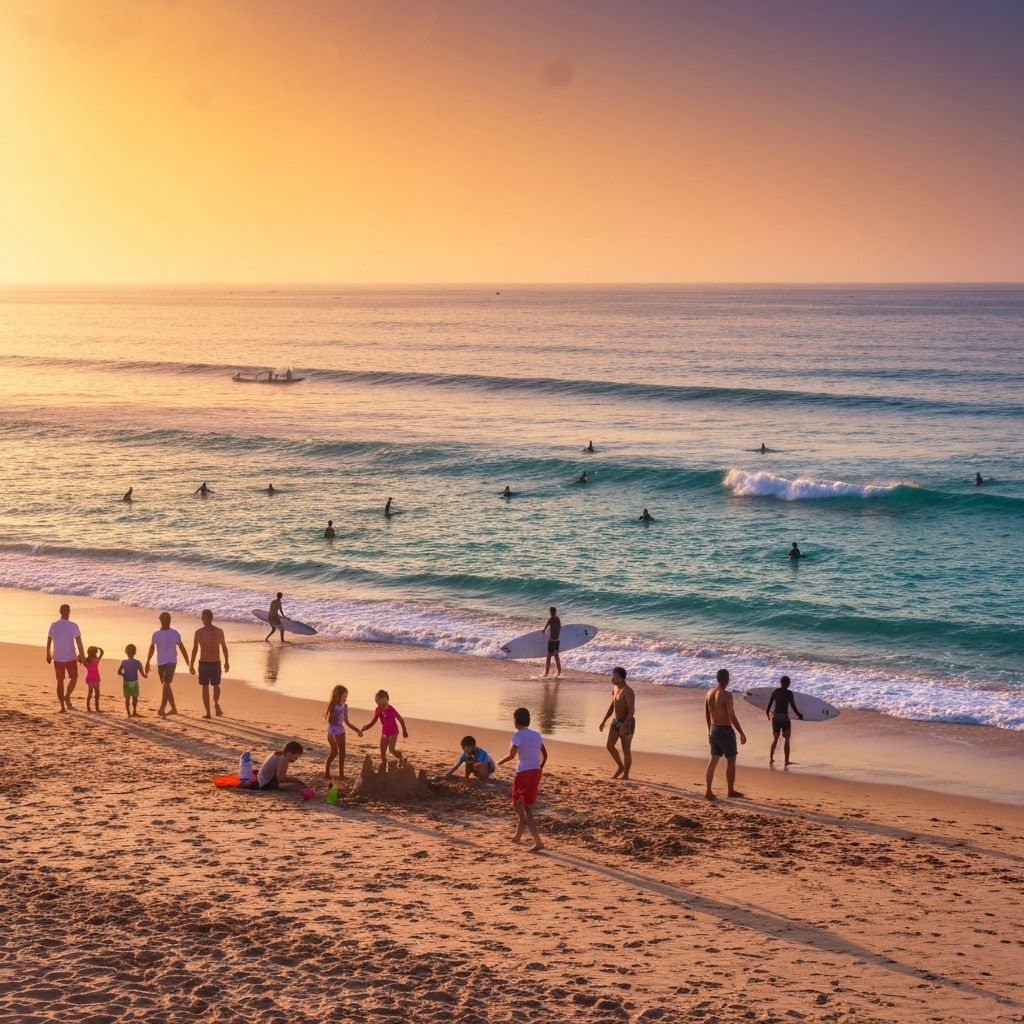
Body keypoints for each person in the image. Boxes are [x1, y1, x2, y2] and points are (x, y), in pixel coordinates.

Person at [497, 707, 548, 852]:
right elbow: (545, 754)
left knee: (520, 805)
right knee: (522, 803)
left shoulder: (517, 735)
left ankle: (538, 841)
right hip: (535, 771)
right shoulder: (536, 734)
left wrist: (503, 760)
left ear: (516, 721)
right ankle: (518, 835)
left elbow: (512, 754)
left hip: (524, 772)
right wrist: (539, 767)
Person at [705, 668, 747, 800]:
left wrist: (709, 730)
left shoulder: (709, 693)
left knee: (713, 760)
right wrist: (741, 732)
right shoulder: (727, 695)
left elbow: (707, 713)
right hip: (725, 730)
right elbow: (732, 716)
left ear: (717, 679)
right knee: (731, 760)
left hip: (713, 728)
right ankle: (730, 790)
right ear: (727, 680)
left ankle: (708, 791)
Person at [145, 612, 193, 717]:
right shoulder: (156, 634)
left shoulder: (175, 633)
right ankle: (173, 708)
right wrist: (147, 661)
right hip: (160, 662)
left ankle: (162, 707)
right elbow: (152, 648)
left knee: (166, 684)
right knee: (166, 686)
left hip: (171, 662)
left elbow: (182, 648)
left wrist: (189, 663)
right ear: (161, 621)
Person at [190, 609, 229, 719]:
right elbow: (194, 649)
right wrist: (191, 664)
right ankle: (208, 712)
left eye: (204, 617)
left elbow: (224, 647)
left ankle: (216, 703)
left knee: (216, 685)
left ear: (209, 618)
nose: (202, 619)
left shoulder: (218, 631)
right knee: (204, 686)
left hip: (215, 662)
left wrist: (226, 662)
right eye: (202, 617)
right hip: (203, 662)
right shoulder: (198, 632)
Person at [46, 603, 85, 712]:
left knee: (60, 681)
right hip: (70, 657)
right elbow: (79, 642)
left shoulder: (53, 625)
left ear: (60, 612)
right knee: (74, 677)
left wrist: (48, 654)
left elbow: (49, 640)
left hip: (57, 657)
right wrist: (82, 655)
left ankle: (62, 707)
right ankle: (67, 696)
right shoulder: (73, 625)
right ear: (69, 612)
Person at [598, 667, 635, 780]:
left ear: (620, 678)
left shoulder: (628, 691)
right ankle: (620, 767)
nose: (612, 678)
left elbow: (631, 710)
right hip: (616, 722)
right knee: (609, 746)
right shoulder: (615, 688)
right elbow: (612, 706)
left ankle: (626, 775)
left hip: (627, 723)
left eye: (614, 676)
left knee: (626, 749)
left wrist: (625, 725)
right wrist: (604, 721)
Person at [361, 689, 408, 769]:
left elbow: (400, 719)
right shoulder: (378, 710)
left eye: (379, 701)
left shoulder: (391, 709)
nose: (378, 703)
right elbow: (373, 722)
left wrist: (404, 731)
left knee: (391, 750)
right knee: (382, 752)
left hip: (393, 732)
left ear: (385, 700)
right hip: (385, 733)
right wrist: (364, 728)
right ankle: (383, 768)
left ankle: (400, 756)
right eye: (376, 701)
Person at [324, 684, 363, 779]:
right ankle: (327, 772)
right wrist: (336, 714)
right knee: (334, 752)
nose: (345, 698)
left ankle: (341, 774)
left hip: (341, 731)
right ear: (337, 696)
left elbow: (347, 722)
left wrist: (357, 730)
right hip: (332, 731)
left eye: (346, 696)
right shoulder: (333, 706)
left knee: (342, 753)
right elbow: (331, 720)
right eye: (344, 696)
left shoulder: (345, 706)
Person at [766, 675, 804, 767]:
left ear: (780, 683)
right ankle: (786, 761)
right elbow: (793, 706)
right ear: (788, 684)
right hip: (784, 718)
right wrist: (799, 715)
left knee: (775, 739)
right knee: (787, 738)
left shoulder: (775, 691)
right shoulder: (789, 693)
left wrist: (768, 715)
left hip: (776, 718)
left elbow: (768, 707)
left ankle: (771, 759)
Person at [118, 643, 147, 718]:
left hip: (126, 682)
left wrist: (123, 674)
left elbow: (119, 672)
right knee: (135, 698)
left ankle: (128, 713)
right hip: (134, 682)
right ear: (135, 652)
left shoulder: (124, 662)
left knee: (127, 699)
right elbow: (143, 675)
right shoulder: (137, 662)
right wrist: (146, 675)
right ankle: (134, 711)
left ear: (126, 652)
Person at [83, 646, 104, 713]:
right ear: (95, 653)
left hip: (90, 678)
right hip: (96, 678)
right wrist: (99, 649)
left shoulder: (86, 661)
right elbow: (102, 653)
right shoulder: (96, 660)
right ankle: (97, 708)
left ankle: (88, 708)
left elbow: (81, 659)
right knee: (97, 693)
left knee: (90, 693)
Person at [542, 606, 562, 678]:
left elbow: (545, 628)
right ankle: (559, 672)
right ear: (555, 612)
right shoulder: (558, 619)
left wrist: (543, 631)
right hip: (557, 641)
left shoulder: (550, 619)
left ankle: (546, 673)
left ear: (550, 612)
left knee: (548, 658)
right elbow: (559, 627)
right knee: (556, 656)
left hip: (551, 641)